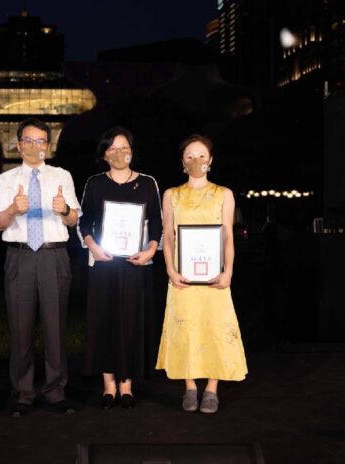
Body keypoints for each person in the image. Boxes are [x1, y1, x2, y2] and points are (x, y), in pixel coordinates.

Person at [0, 118, 81, 416]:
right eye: (28, 141)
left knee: (55, 326)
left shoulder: (62, 175)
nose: (34, 146)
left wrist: (64, 209)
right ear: (18, 146)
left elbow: (73, 220)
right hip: (20, 256)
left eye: (40, 141)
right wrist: (13, 209)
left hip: (53, 255)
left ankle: (55, 390)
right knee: (20, 327)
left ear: (48, 146)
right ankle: (22, 392)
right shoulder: (5, 179)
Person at [156, 134, 248, 414]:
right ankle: (190, 387)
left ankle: (211, 388)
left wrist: (228, 271)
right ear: (182, 162)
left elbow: (227, 236)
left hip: (213, 277)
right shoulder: (172, 195)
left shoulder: (224, 194)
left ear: (210, 160)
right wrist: (171, 270)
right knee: (186, 328)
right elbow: (168, 236)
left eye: (201, 156)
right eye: (190, 156)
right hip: (183, 276)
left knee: (215, 327)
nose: (196, 161)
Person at [78, 127, 162, 409]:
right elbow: (85, 222)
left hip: (136, 265)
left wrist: (150, 250)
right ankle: (109, 385)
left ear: (132, 152)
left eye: (124, 147)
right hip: (104, 263)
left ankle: (127, 384)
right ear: (104, 154)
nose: (118, 153)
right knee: (105, 322)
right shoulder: (95, 183)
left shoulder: (148, 183)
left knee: (131, 323)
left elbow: (157, 223)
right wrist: (92, 246)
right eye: (112, 148)